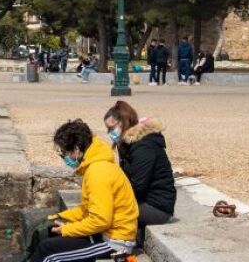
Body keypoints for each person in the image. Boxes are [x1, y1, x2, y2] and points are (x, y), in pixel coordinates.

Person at [33, 119, 137, 262]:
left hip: (115, 242)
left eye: (64, 154)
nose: (63, 158)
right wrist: (60, 216)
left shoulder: (98, 172)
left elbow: (100, 221)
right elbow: (86, 209)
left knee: (50, 254)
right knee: (48, 235)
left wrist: (66, 230)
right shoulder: (93, 167)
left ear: (76, 150)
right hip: (103, 233)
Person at [104, 101, 175, 248]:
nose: (109, 132)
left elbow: (138, 186)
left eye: (111, 128)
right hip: (144, 201)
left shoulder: (144, 146)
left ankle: (119, 245)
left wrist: (114, 200)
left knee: (107, 213)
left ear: (124, 123)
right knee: (102, 207)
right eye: (107, 128)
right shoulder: (127, 144)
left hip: (157, 207)